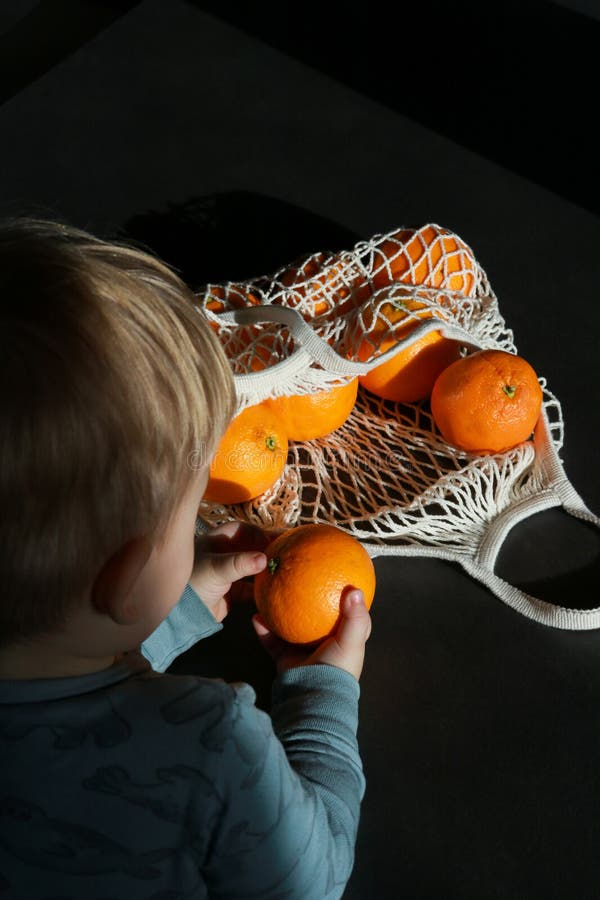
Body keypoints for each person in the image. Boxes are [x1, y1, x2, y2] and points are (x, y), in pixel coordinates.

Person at [0, 217, 373, 899]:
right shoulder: (211, 745)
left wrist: (171, 610)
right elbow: (312, 879)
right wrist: (325, 696)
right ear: (127, 573)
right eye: (191, 508)